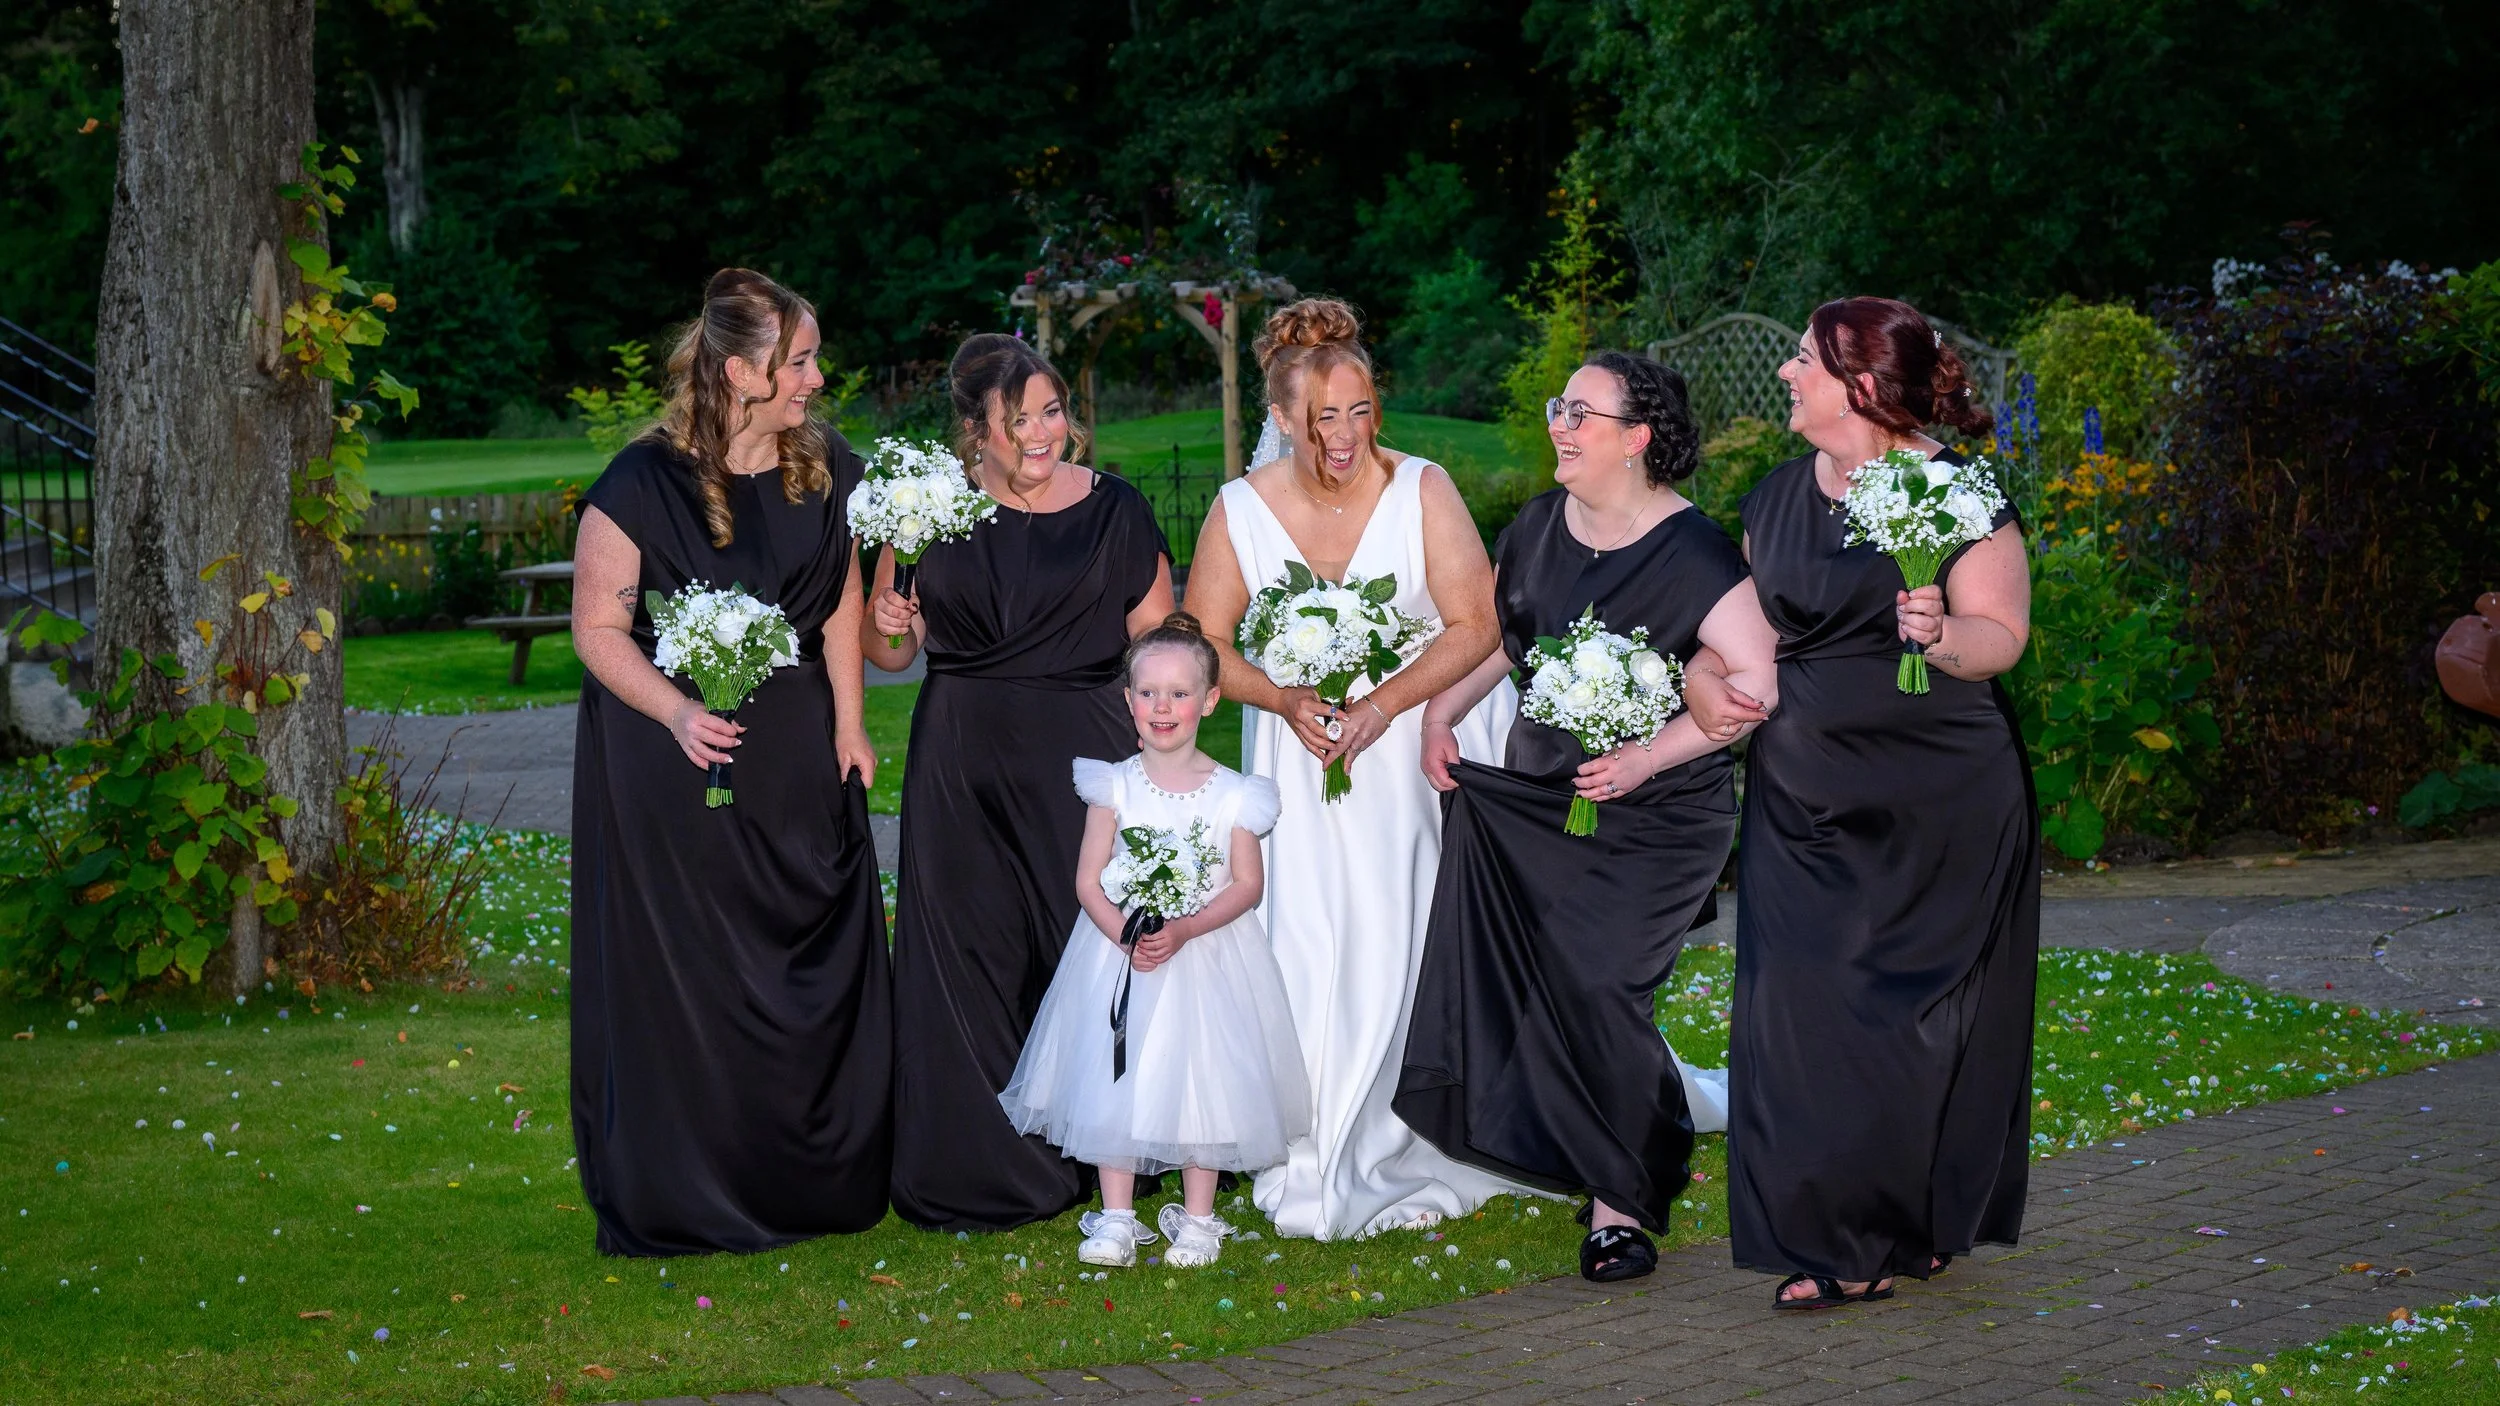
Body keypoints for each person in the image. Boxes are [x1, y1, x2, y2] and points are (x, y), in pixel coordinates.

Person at [1685, 296, 2037, 1309]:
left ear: (1865, 385)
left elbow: (2000, 633)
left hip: (1940, 789)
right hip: (1803, 793)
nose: (1786, 373)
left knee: (1918, 1013)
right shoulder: (1776, 498)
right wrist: (1709, 685)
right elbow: (1733, 637)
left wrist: (1938, 632)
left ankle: (1910, 1216)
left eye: (1802, 359)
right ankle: (1836, 1232)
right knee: (1802, 1007)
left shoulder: (1955, 487)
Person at [1397, 352, 1781, 1282]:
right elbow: (1504, 638)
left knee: (1608, 986)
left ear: (1637, 438)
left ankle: (1625, 1197)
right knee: (1559, 985)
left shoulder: (1697, 554)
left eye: (1580, 412)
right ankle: (1604, 1146)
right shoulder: (1537, 525)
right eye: (1556, 408)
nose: (1559, 425)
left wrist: (1650, 753)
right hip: (1544, 801)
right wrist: (1442, 713)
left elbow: (1757, 688)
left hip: (1662, 813)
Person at [1183, 297, 1529, 1241]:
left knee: (1399, 921)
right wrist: (1286, 698)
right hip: (1298, 762)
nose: (1343, 435)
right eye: (1322, 417)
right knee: (1302, 931)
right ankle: (1308, 1127)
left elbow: (1480, 621)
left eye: (1360, 411)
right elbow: (1204, 641)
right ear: (1284, 419)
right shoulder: (1240, 511)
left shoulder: (1423, 488)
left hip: (1402, 756)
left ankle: (1404, 1119)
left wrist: (1383, 703)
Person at [568, 268, 889, 1256]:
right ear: (744, 370)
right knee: (702, 972)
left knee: (809, 949)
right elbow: (596, 628)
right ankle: (696, 1184)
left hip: (797, 753)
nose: (815, 377)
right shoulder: (638, 482)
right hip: (678, 763)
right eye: (799, 360)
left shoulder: (823, 462)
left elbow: (837, 600)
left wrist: (849, 722)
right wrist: (673, 711)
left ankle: (810, 1177)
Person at [871, 334, 1177, 1232]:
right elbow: (891, 651)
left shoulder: (1115, 508)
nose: (1042, 434)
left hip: (1085, 755)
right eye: (1018, 421)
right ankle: (987, 1168)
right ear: (975, 432)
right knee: (966, 954)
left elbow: (1160, 639)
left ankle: (1109, 1158)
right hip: (960, 757)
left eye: (1051, 411)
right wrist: (889, 619)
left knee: (1084, 947)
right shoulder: (923, 510)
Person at [997, 615, 1310, 1269]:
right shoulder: (1112, 786)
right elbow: (1088, 881)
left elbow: (1246, 885)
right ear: (1128, 700)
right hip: (1117, 960)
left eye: (1178, 692)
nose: (1161, 707)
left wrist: (1186, 929)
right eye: (1147, 693)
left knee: (1204, 1081)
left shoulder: (1235, 796)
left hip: (1207, 959)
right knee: (1116, 1078)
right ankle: (1115, 1216)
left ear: (1210, 700)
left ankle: (1198, 1220)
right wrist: (1126, 937)